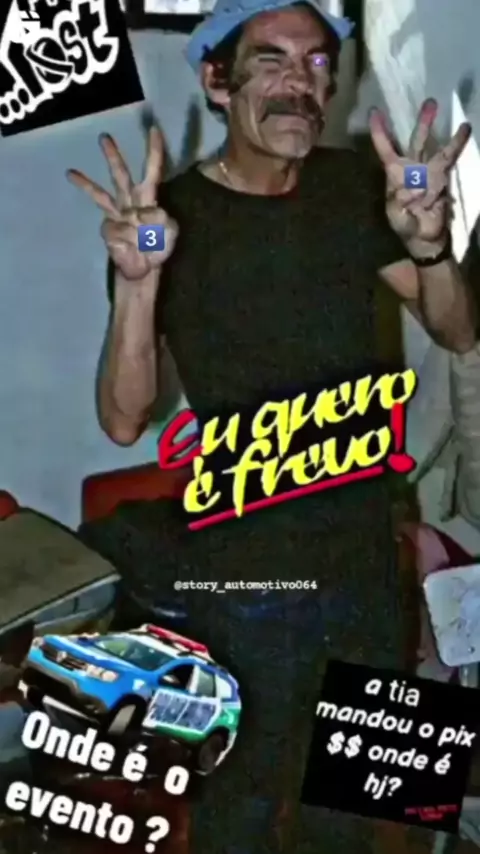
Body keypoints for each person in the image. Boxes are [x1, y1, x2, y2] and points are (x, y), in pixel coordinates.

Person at [69, 0, 477, 850]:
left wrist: (432, 248)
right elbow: (123, 420)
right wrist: (138, 284)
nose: (300, 82)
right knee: (239, 813)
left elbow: (457, 331)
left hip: (369, 557)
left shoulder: (354, 189)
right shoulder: (168, 220)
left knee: (373, 801)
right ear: (217, 81)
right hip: (240, 582)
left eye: (317, 62)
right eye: (271, 60)